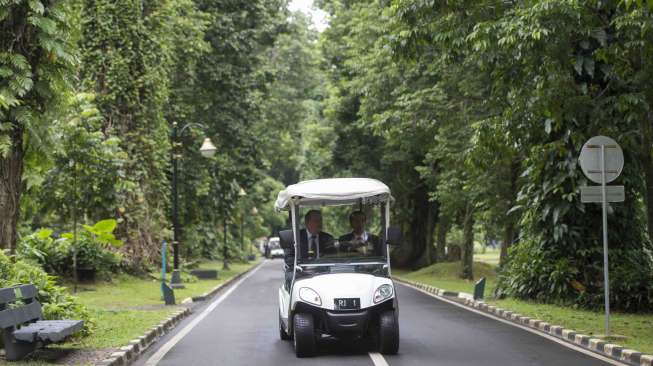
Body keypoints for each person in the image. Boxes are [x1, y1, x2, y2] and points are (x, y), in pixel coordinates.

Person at [283, 210, 335, 288]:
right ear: (307, 223)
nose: (319, 223)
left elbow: (333, 257)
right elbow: (288, 258)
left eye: (320, 220)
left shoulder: (327, 238)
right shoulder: (296, 237)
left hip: (323, 271)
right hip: (301, 271)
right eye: (316, 221)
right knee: (291, 277)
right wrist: (302, 268)